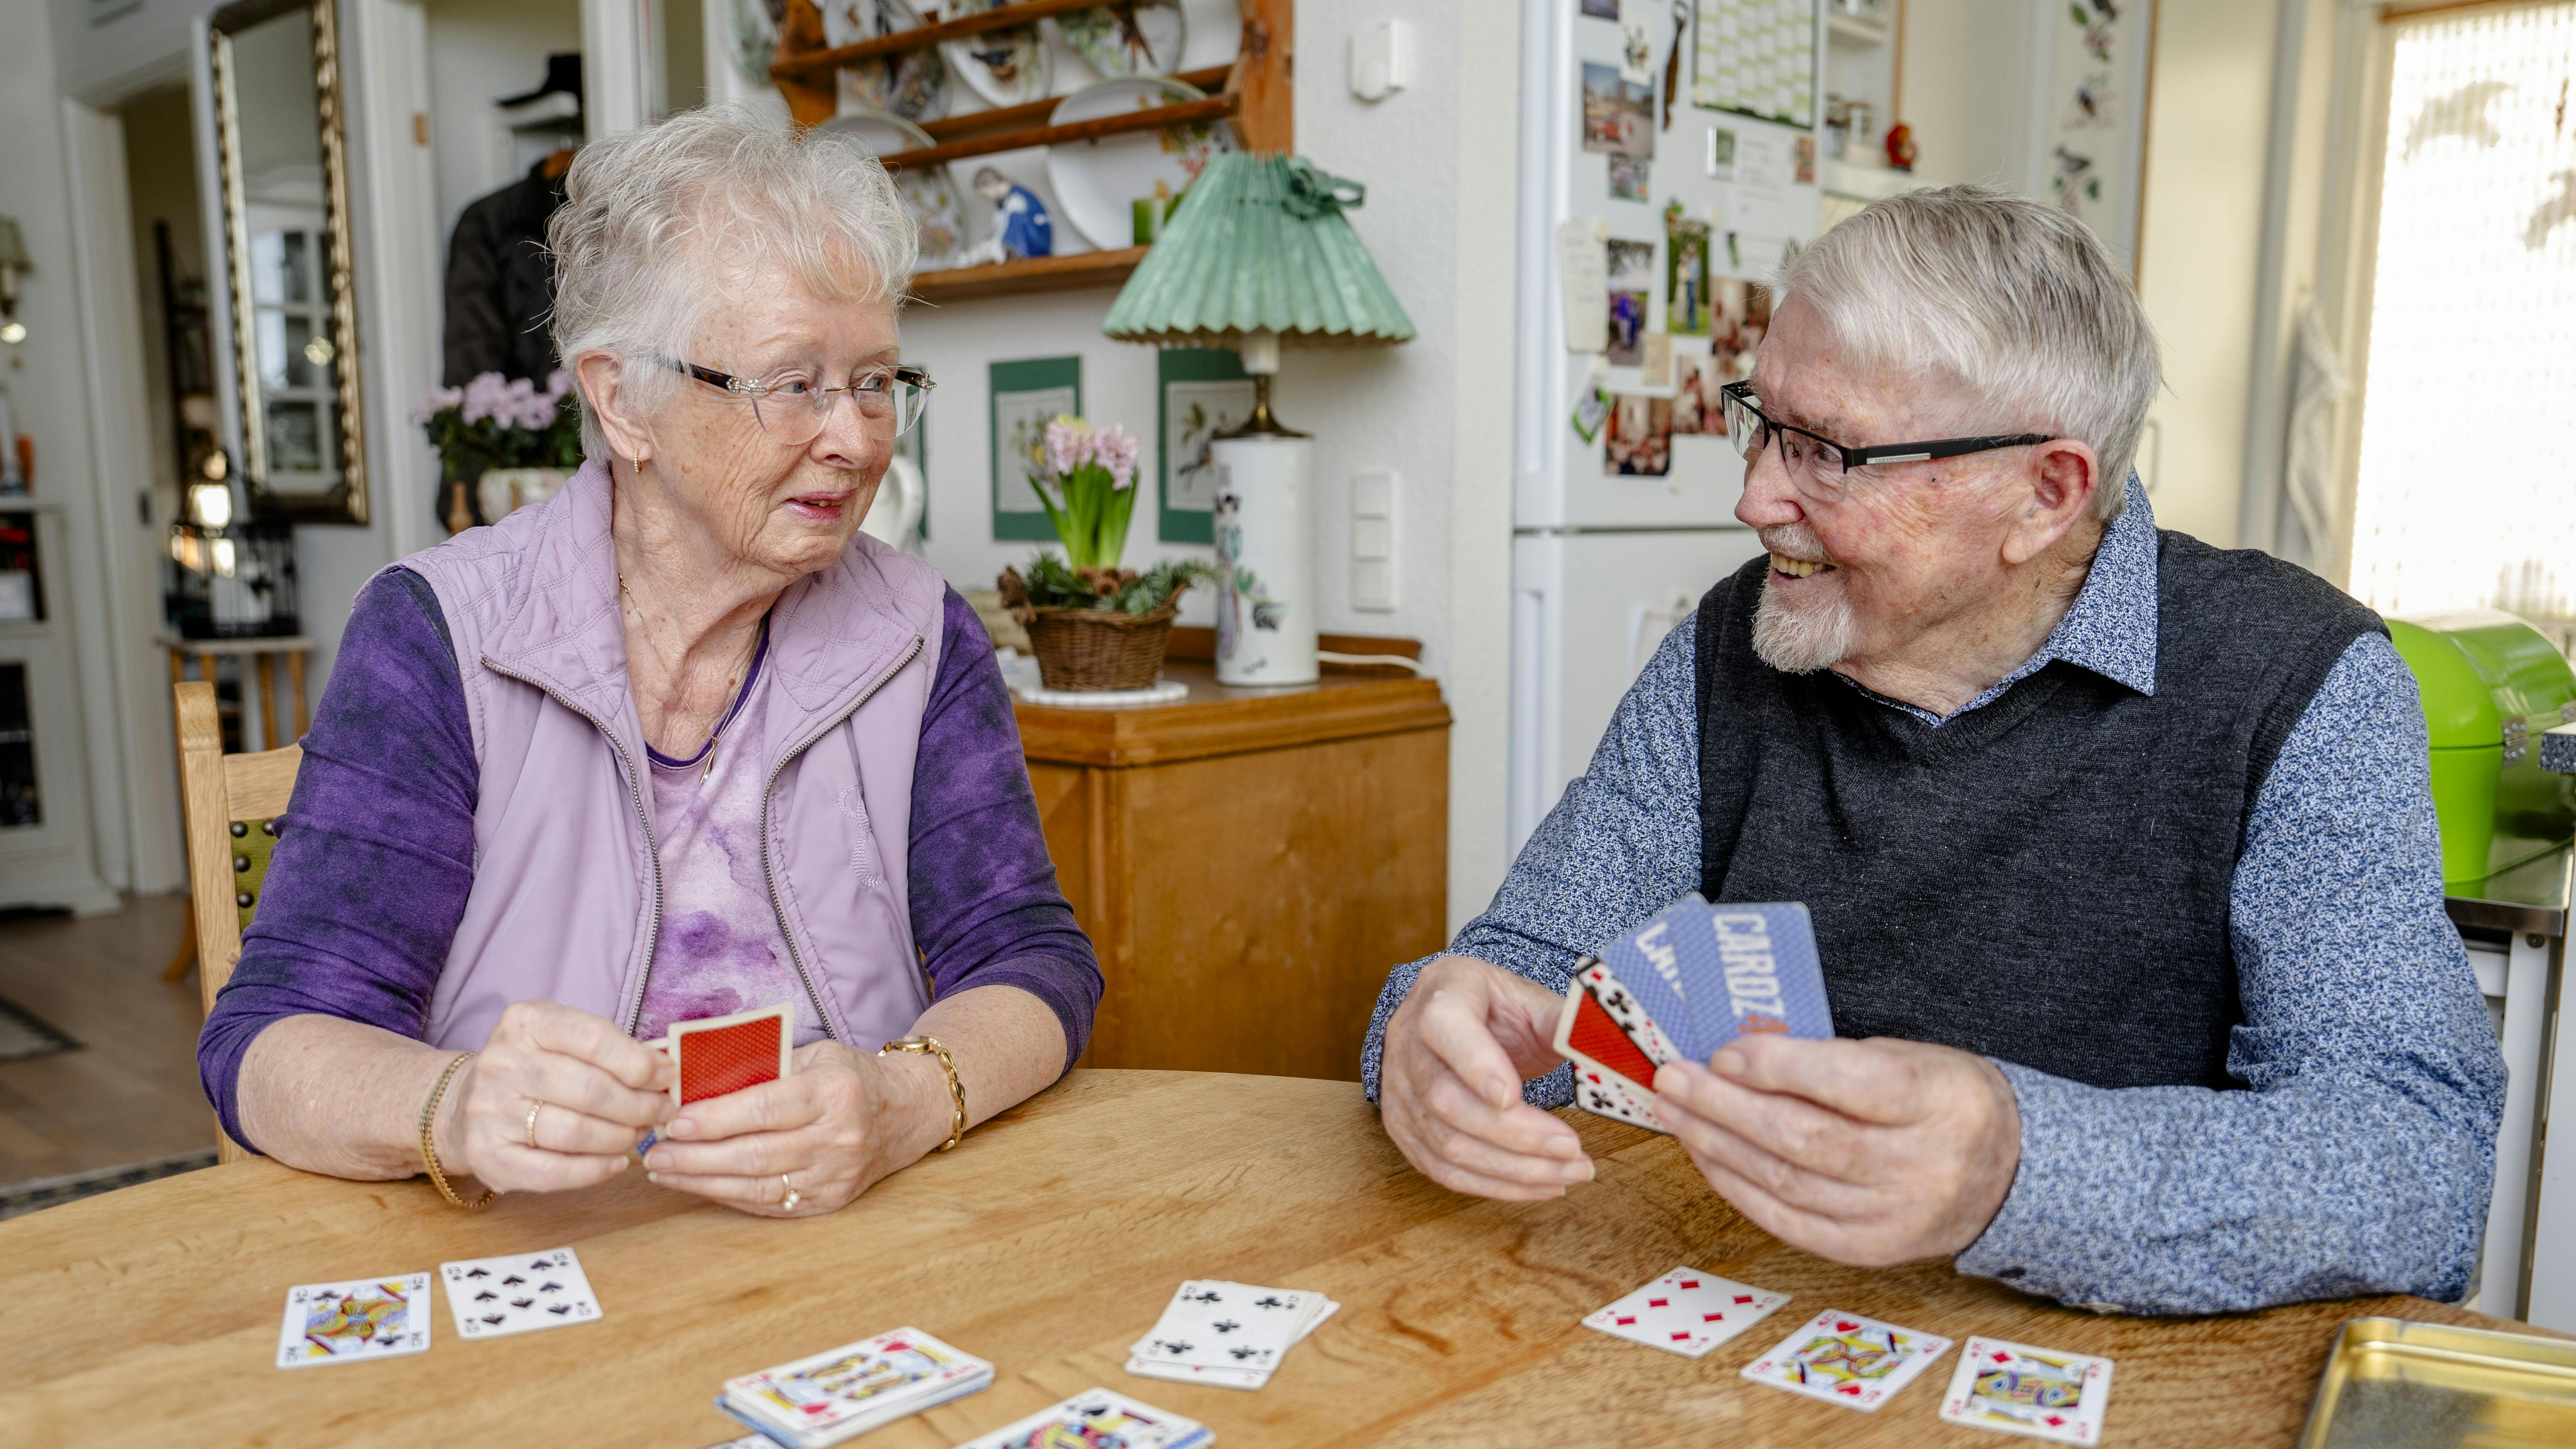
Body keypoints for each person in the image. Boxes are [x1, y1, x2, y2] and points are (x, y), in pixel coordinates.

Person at [1364, 185, 2505, 1315]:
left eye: (1827, 452)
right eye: (1764, 423)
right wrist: (1431, 1037)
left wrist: (2016, 1166)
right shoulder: (1728, 642)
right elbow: (1525, 972)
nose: (1756, 498)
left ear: (2043, 495)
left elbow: (2416, 1165)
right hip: (1759, 1343)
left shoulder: (2300, 681)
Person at [199, 108, 1100, 1218]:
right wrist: (457, 1105)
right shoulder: (440, 636)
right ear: (623, 399)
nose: (856, 438)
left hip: (840, 1238)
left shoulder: (920, 635)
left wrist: (902, 1102)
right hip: (538, 1251)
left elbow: (1032, 963)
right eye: (793, 382)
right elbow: (268, 1044)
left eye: (876, 382)